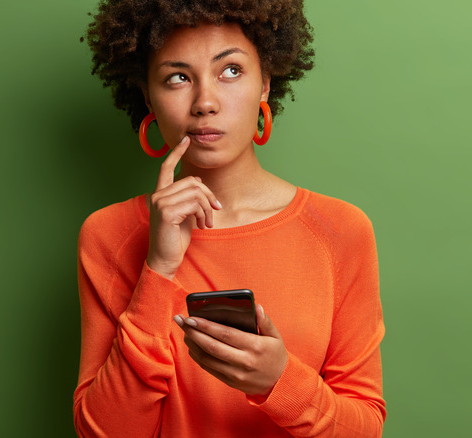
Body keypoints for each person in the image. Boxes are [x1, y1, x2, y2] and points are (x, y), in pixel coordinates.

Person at [73, 1, 386, 436]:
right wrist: (158, 270)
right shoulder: (109, 235)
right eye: (178, 77)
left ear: (265, 84)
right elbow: (103, 432)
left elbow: (365, 429)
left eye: (231, 71)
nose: (205, 102)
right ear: (148, 95)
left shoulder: (340, 230)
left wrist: (280, 381)